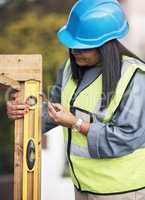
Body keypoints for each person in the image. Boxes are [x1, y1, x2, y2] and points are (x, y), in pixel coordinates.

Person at [7, 0, 145, 199]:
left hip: (121, 191)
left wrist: (76, 124)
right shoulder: (69, 70)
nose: (74, 52)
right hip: (82, 187)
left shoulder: (135, 77)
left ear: (105, 45)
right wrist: (23, 112)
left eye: (83, 47)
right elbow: (51, 113)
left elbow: (127, 137)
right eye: (73, 46)